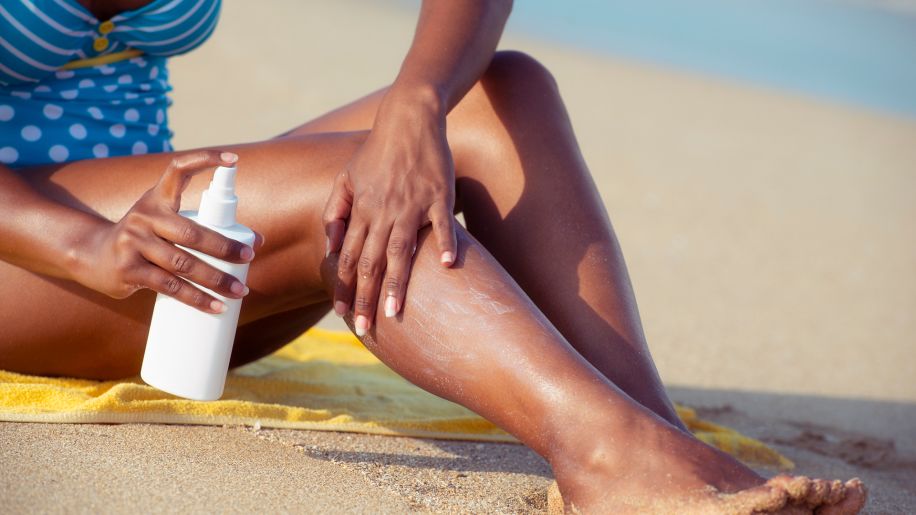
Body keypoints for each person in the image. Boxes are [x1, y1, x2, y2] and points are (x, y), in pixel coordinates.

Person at [0, 1, 866, 513]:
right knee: (355, 180)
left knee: (500, 93)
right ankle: (603, 455)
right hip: (36, 261)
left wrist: (418, 99)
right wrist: (83, 243)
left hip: (165, 249)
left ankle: (657, 448)